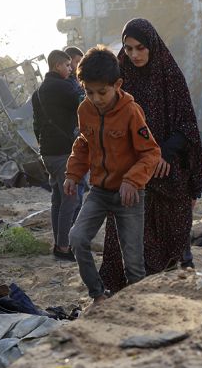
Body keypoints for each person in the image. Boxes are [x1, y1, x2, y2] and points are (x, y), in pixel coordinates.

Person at [99, 18, 202, 291]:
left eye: (140, 48)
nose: (134, 55)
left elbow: (187, 125)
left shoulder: (170, 75)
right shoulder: (119, 81)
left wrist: (162, 154)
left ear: (152, 46)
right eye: (128, 48)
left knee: (174, 243)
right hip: (132, 172)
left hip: (168, 171)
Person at [64, 46, 161, 301]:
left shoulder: (131, 111)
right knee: (77, 238)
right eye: (89, 92)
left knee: (133, 263)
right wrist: (73, 174)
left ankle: (136, 307)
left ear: (117, 84)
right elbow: (83, 144)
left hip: (129, 195)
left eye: (102, 92)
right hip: (99, 192)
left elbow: (151, 153)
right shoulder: (85, 109)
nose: (95, 98)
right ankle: (98, 295)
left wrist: (132, 180)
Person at [31, 49, 83, 261]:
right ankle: (63, 246)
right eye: (68, 66)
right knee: (71, 199)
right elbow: (84, 102)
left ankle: (59, 243)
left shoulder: (39, 91)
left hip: (48, 152)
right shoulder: (63, 87)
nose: (71, 70)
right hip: (63, 151)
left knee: (58, 200)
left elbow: (36, 124)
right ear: (57, 66)